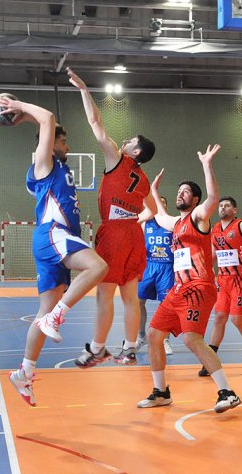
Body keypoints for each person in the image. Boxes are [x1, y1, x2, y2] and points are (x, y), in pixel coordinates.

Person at [0, 96, 109, 406]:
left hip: (54, 239)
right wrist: (20, 107)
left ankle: (25, 372)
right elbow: (46, 117)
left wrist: (26, 117)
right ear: (49, 143)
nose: (68, 147)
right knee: (98, 267)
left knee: (42, 312)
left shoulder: (59, 167)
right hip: (52, 234)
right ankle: (58, 316)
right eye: (64, 140)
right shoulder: (43, 164)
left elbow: (46, 123)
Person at [137, 144, 242, 413]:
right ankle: (161, 392)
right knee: (153, 335)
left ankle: (227, 392)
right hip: (178, 289)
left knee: (190, 339)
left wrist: (207, 165)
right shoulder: (176, 223)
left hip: (199, 287)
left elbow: (214, 197)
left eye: (185, 191)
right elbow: (158, 214)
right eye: (179, 191)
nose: (180, 194)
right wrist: (153, 189)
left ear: (194, 200)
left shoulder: (198, 218)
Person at [64, 67, 158, 368]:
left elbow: (96, 122)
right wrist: (136, 218)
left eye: (130, 140)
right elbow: (153, 210)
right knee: (129, 297)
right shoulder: (143, 179)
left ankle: (98, 348)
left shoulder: (117, 158)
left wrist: (83, 89)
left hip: (116, 233)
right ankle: (130, 349)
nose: (125, 140)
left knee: (104, 295)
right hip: (133, 235)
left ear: (136, 150)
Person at [197, 196, 242, 377]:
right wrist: (199, 267)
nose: (222, 208)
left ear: (234, 210)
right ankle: (210, 360)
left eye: (227, 205)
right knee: (219, 317)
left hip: (241, 278)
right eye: (220, 205)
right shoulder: (215, 230)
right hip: (223, 279)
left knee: (236, 319)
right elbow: (213, 256)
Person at [137, 196, 175, 356]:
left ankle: (165, 339)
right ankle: (140, 336)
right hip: (148, 266)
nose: (160, 205)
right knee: (138, 302)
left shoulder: (172, 223)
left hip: (167, 267)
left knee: (166, 305)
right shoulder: (145, 222)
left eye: (163, 202)